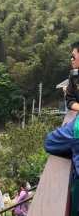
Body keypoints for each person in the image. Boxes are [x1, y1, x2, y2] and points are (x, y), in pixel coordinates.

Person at [44, 42, 79, 176]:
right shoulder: (74, 76)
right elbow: (70, 101)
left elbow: (49, 143)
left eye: (73, 56)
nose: (71, 59)